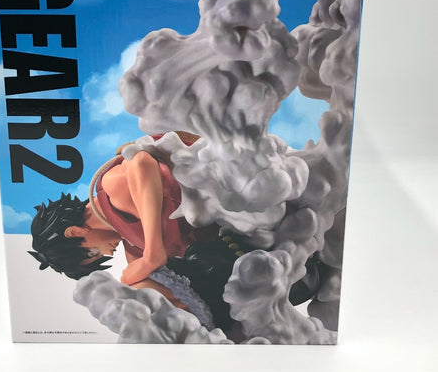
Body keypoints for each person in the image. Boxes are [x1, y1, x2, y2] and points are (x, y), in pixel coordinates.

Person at [29, 133, 322, 333]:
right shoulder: (131, 243)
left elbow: (142, 163)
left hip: (248, 198)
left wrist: (152, 251)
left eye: (92, 253)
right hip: (243, 253)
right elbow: (149, 278)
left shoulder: (110, 189)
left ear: (74, 232)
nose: (106, 253)